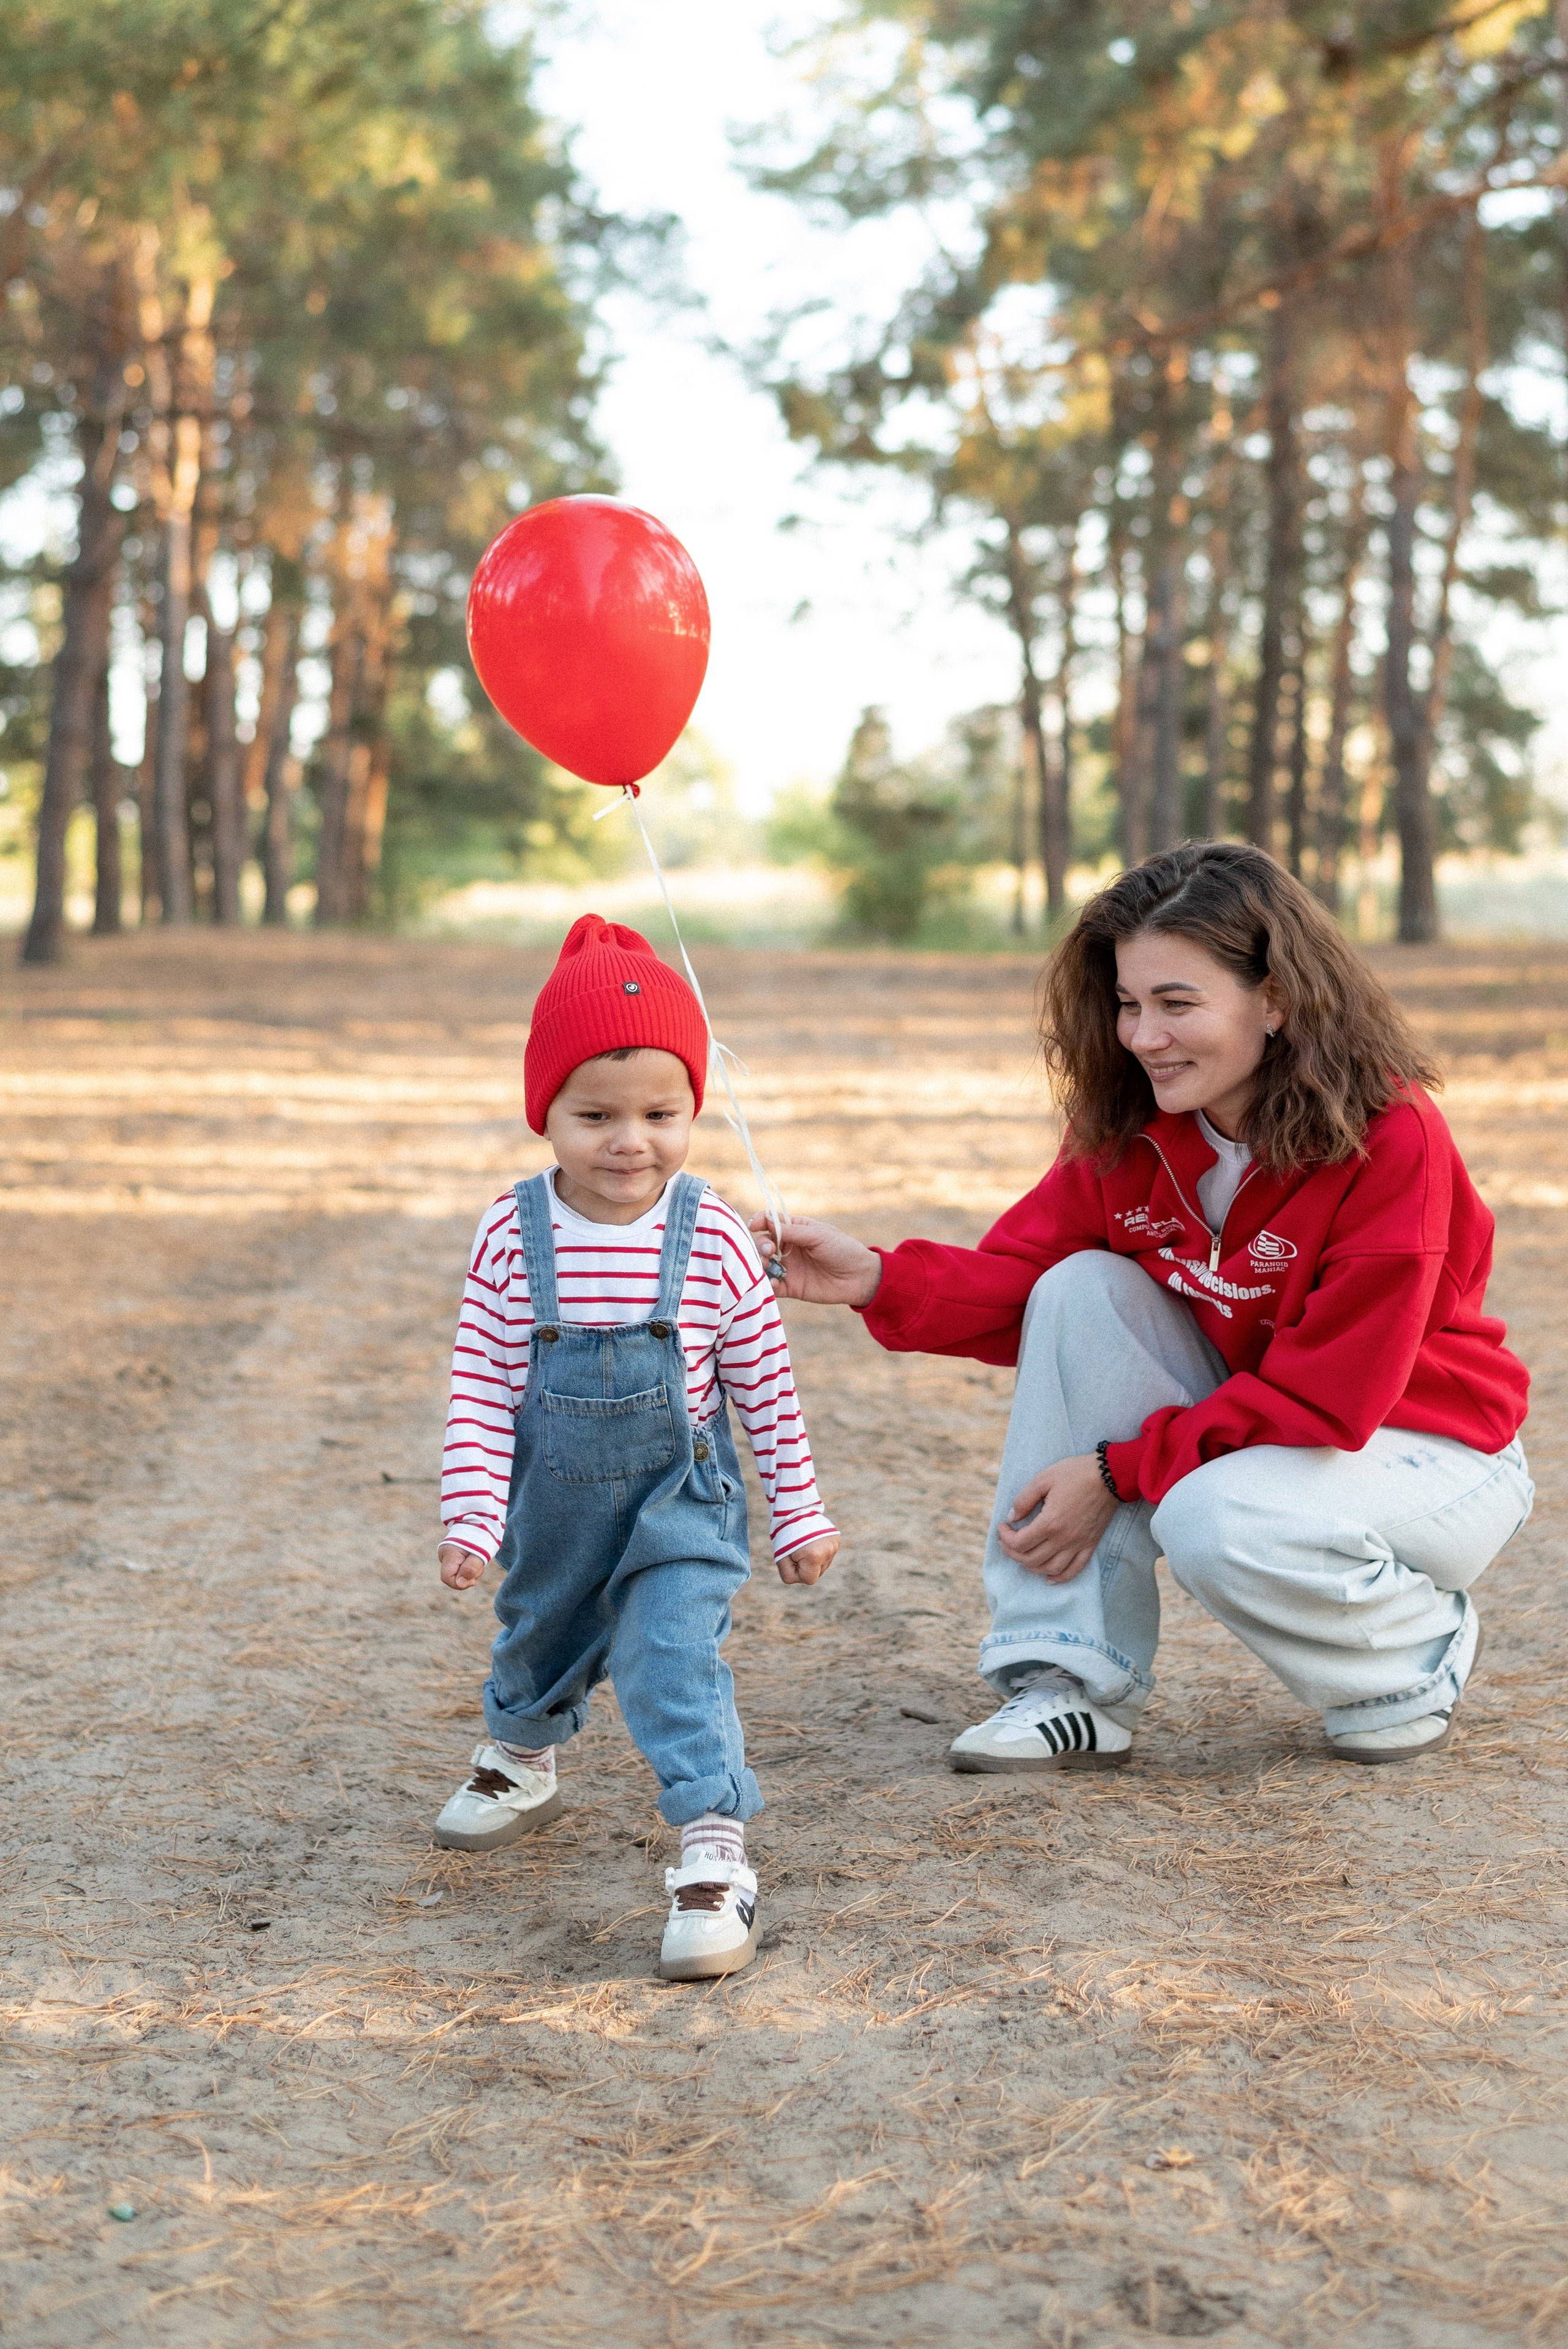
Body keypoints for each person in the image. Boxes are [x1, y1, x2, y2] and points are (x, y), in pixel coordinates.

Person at [758, 842, 1530, 1772]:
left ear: (1276, 999)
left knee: (1209, 1516)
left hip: (1429, 1446)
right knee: (1083, 1288)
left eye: (1177, 1003)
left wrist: (1120, 1470)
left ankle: (1415, 1650)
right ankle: (1069, 1675)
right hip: (1265, 1434)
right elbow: (1025, 1280)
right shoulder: (1130, 1128)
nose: (1141, 1036)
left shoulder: (1387, 1136)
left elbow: (1333, 1397)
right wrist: (878, 1277)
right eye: (1129, 1003)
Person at [433, 913, 839, 1978]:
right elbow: (481, 1382)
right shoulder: (510, 1233)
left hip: (679, 1500)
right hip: (554, 1495)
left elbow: (762, 1380)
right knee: (541, 1627)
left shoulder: (711, 1236)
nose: (631, 1140)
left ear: (693, 1107)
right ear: (546, 1114)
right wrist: (473, 1511)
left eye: (663, 1112)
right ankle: (523, 1752)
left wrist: (797, 1504)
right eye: (595, 1113)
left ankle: (712, 1850)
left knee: (672, 1658)